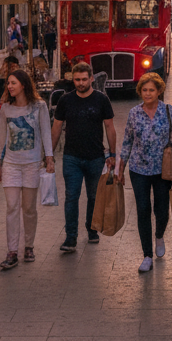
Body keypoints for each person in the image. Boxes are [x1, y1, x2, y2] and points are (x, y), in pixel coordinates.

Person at [117, 73, 172, 273]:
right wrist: (121, 168)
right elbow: (128, 140)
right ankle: (147, 255)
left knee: (162, 210)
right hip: (138, 169)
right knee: (143, 209)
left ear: (159, 91)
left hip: (163, 169)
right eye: (144, 90)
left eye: (151, 90)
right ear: (140, 91)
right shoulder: (134, 113)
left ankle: (159, 235)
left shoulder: (168, 111)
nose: (147, 94)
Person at [51, 62, 116, 253]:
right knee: (71, 197)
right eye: (77, 80)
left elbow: (110, 127)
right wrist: (49, 154)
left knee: (94, 197)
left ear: (91, 79)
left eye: (84, 79)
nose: (80, 83)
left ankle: (92, 228)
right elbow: (56, 128)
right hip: (71, 157)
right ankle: (71, 238)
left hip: (96, 157)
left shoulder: (102, 100)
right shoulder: (65, 100)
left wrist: (112, 154)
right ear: (73, 79)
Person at [0, 69, 54, 271]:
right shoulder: (6, 109)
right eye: (8, 83)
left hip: (32, 164)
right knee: (12, 207)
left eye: (13, 83)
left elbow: (46, 131)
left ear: (24, 85)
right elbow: (1, 136)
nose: (9, 86)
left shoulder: (39, 107)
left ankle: (28, 246)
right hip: (11, 163)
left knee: (28, 208)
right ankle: (11, 251)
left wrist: (49, 157)